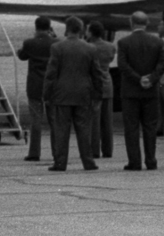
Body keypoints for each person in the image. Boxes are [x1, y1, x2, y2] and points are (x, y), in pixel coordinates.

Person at [43, 16, 105, 171]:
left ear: (67, 28)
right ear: (81, 30)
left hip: (61, 94)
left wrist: (47, 95)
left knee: (61, 130)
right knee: (84, 129)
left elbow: (51, 74)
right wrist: (98, 95)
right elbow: (97, 74)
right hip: (83, 93)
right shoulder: (90, 48)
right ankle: (88, 161)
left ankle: (60, 162)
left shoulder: (57, 47)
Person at [116, 11, 164, 170]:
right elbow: (162, 64)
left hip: (131, 91)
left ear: (132, 23)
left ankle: (134, 161)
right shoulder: (157, 42)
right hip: (151, 91)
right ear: (147, 23)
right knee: (150, 127)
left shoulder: (124, 42)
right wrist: (151, 78)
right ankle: (151, 160)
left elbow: (122, 66)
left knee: (131, 128)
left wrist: (138, 79)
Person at [16, 15, 57, 160]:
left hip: (35, 85)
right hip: (52, 86)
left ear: (36, 27)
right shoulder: (56, 42)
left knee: (36, 120)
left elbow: (21, 55)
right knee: (54, 120)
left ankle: (34, 152)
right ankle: (57, 151)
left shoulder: (29, 43)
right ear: (49, 27)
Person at [85, 22, 116, 160]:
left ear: (91, 32)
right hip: (107, 83)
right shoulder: (110, 47)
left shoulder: (89, 48)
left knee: (94, 121)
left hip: (93, 85)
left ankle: (94, 150)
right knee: (107, 120)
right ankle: (108, 149)